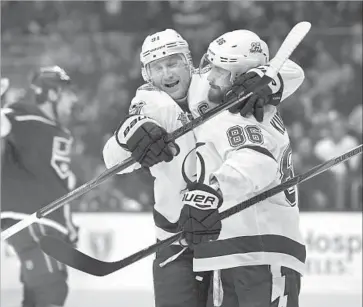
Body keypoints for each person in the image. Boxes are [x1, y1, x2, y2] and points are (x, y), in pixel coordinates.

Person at [103, 29, 305, 307]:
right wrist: (125, 135)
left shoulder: (222, 84)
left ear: (190, 62)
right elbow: (113, 161)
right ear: (146, 73)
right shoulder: (147, 105)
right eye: (157, 67)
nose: (167, 73)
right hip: (176, 238)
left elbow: (289, 69)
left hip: (221, 229)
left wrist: (270, 80)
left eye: (173, 62)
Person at [1, 67, 79, 307]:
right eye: (67, 93)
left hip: (48, 226)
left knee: (37, 297)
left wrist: (68, 226)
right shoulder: (21, 118)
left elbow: (57, 184)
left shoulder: (59, 132)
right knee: (52, 291)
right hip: (33, 223)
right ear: (51, 94)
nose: (73, 100)